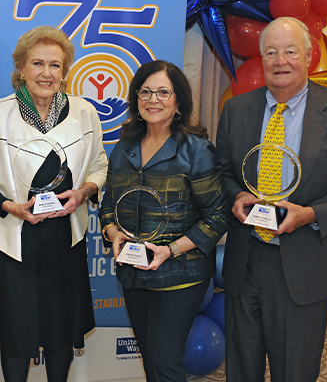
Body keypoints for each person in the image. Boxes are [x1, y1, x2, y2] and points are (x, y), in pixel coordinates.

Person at [216, 17, 327, 381]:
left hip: (305, 262)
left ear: (308, 56)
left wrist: (310, 213)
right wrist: (237, 195)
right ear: (261, 59)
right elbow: (224, 174)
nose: (281, 60)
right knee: (241, 367)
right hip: (246, 258)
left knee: (295, 370)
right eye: (271, 52)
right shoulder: (236, 110)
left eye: (291, 51)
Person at [0, 25, 108, 382]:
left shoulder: (85, 113)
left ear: (65, 71)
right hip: (13, 241)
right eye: (37, 64)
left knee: (60, 335)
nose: (46, 73)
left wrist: (84, 192)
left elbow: (100, 166)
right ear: (22, 69)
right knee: (15, 337)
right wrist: (12, 207)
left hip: (63, 239)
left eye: (55, 65)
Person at [99, 60, 230, 382]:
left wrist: (169, 251)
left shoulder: (197, 150)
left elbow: (218, 215)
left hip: (180, 275)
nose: (152, 99)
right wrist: (113, 232)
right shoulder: (123, 148)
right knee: (150, 357)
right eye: (145, 91)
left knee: (165, 361)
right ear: (135, 99)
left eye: (162, 92)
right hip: (133, 273)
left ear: (178, 102)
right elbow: (108, 206)